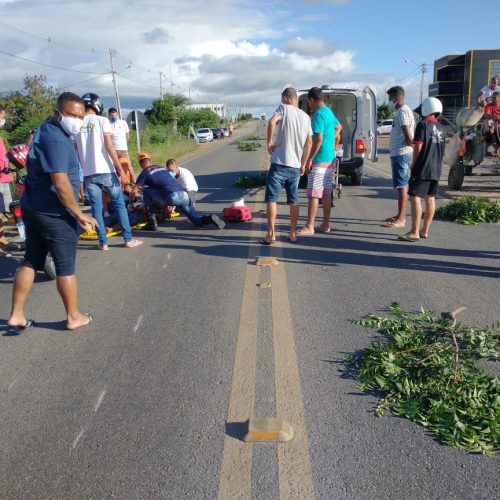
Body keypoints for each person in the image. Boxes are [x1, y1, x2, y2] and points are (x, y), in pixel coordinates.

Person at [7, 92, 97, 331]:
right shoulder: (57, 139)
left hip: (32, 208)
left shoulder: (45, 128)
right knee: (65, 267)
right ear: (58, 113)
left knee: (31, 261)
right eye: (72, 115)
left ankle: (16, 314)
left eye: (81, 116)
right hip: (54, 214)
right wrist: (79, 214)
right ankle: (73, 316)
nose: (78, 120)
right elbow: (60, 183)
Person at [74, 93, 142, 251]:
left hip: (88, 174)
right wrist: (120, 169)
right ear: (98, 106)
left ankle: (103, 243)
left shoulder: (76, 124)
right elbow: (110, 147)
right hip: (106, 171)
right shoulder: (102, 120)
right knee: (119, 205)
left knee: (97, 209)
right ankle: (128, 240)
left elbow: (75, 151)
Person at [263, 87, 312, 244]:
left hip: (278, 163)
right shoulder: (306, 117)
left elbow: (271, 122)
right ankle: (292, 234)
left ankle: (271, 234)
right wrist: (303, 163)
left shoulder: (283, 108)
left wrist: (269, 142)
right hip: (295, 166)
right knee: (294, 200)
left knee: (272, 199)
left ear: (285, 98)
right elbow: (309, 142)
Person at [129, 153, 225, 230]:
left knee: (147, 191)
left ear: (141, 164)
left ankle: (152, 222)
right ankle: (209, 218)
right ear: (150, 161)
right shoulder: (161, 168)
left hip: (172, 196)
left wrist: (130, 203)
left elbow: (134, 190)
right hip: (183, 195)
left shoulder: (145, 172)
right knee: (196, 220)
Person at [398, 97, 445, 242]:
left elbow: (418, 146)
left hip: (423, 167)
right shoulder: (442, 128)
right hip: (436, 168)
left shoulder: (423, 125)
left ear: (426, 109)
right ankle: (424, 231)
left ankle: (414, 231)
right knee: (430, 198)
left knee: (415, 198)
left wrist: (413, 163)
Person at [299, 87, 342, 235]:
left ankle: (309, 226)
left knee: (313, 193)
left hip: (319, 159)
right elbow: (339, 127)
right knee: (326, 193)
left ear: (311, 100)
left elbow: (318, 139)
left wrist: (309, 159)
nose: (309, 106)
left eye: (309, 103)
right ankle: (325, 224)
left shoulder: (317, 115)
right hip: (330, 158)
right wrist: (332, 142)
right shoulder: (329, 112)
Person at [384, 86, 415, 228]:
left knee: (402, 186)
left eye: (390, 99)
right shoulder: (406, 110)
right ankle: (399, 215)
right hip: (401, 153)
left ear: (397, 98)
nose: (389, 102)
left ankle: (401, 219)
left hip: (401, 154)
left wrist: (414, 148)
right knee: (401, 185)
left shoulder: (402, 112)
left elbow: (408, 136)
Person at [0, 105, 14, 255]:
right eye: (2, 117)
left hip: (4, 177)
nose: (3, 120)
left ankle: (2, 240)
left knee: (4, 212)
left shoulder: (0, 138)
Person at [108, 107, 136, 182]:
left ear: (117, 114)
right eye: (111, 115)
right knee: (114, 167)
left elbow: (127, 135)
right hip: (113, 150)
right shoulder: (107, 124)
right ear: (109, 115)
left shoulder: (123, 123)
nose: (113, 117)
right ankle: (117, 182)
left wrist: (124, 143)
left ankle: (135, 182)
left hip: (123, 149)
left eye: (114, 115)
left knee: (129, 166)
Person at [483, 92, 500, 158]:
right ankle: (494, 142)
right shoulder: (488, 106)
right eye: (492, 98)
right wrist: (495, 117)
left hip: (497, 124)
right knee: (488, 123)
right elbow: (487, 115)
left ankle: (497, 150)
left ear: (499, 98)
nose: (492, 99)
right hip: (491, 124)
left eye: (494, 98)